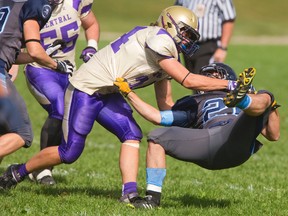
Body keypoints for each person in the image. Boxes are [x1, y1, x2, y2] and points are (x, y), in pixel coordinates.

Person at [0, 6, 240, 204]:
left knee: (132, 133)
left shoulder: (168, 53)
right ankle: (17, 172)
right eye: (185, 32)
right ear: (169, 24)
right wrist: (229, 86)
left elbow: (164, 102)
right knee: (69, 152)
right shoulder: (160, 39)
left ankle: (129, 193)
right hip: (87, 87)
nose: (187, 39)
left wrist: (178, 127)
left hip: (110, 90)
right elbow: (187, 80)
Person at [113, 63, 280, 208]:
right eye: (206, 76)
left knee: (265, 95)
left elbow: (274, 135)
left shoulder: (253, 95)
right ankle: (152, 200)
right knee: (157, 137)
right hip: (211, 141)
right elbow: (158, 117)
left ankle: (242, 101)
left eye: (215, 75)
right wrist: (129, 93)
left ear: (228, 78)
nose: (209, 78)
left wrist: (270, 107)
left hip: (239, 137)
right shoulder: (195, 102)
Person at [24, 0, 100, 186]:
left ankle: (41, 165)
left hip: (67, 70)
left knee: (69, 114)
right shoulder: (30, 5)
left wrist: (91, 46)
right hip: (39, 69)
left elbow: (91, 24)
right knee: (59, 108)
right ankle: (42, 169)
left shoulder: (75, 2)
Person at [0, 0, 73, 165]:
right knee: (21, 134)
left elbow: (13, 53)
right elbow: (34, 49)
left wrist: (41, 56)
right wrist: (57, 65)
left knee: (3, 129)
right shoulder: (37, 4)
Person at [175, 0, 236, 73]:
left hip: (208, 45)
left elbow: (228, 19)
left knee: (203, 78)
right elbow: (176, 14)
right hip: (187, 45)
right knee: (190, 80)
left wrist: (223, 48)